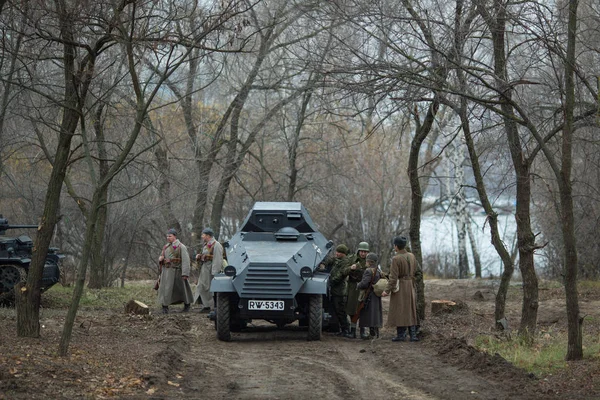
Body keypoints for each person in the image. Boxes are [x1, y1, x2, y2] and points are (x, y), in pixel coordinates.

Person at [381, 236, 419, 342]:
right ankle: (413, 335)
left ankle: (401, 335)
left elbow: (393, 278)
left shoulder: (396, 259)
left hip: (401, 286)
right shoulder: (412, 256)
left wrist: (386, 290)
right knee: (410, 310)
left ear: (396, 246)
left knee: (400, 310)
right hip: (410, 285)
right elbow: (416, 270)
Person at [157, 228, 194, 314]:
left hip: (178, 272)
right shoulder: (166, 247)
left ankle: (187, 305)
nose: (168, 237)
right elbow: (162, 257)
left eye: (170, 236)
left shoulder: (181, 247)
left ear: (174, 236)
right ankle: (165, 307)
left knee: (183, 289)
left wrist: (185, 273)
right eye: (167, 236)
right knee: (166, 289)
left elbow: (186, 261)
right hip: (167, 272)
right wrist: (160, 259)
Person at [194, 227, 223, 314]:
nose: (202, 236)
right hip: (205, 268)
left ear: (208, 235)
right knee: (201, 286)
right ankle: (207, 305)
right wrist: (200, 256)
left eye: (203, 235)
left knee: (209, 288)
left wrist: (215, 272)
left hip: (211, 269)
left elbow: (218, 259)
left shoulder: (216, 245)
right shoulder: (206, 244)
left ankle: (211, 306)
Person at [327, 244, 352, 337]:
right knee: (336, 310)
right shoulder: (338, 260)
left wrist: (331, 282)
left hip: (340, 291)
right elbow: (330, 260)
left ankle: (346, 329)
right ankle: (341, 328)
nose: (336, 253)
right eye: (336, 252)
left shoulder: (345, 262)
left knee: (340, 311)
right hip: (336, 290)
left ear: (343, 254)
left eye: (338, 252)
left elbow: (340, 276)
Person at [345, 241, 369, 338]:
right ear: (358, 251)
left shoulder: (371, 260)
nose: (363, 253)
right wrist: (351, 268)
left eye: (365, 252)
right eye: (361, 251)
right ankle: (353, 330)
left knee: (363, 309)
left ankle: (363, 331)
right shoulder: (351, 259)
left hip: (365, 288)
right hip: (353, 287)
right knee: (352, 309)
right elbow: (344, 271)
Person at [356, 253, 383, 339]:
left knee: (366, 314)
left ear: (369, 262)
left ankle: (367, 334)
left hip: (368, 296)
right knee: (375, 314)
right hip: (376, 295)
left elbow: (364, 284)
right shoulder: (378, 270)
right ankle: (375, 333)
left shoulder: (368, 271)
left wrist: (358, 285)